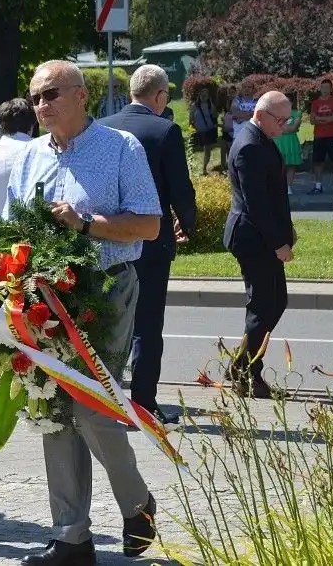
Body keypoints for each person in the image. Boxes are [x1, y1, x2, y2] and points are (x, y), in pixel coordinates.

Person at [5, 61, 160, 565]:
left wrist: (86, 223)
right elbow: (9, 228)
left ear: (80, 95)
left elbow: (150, 225)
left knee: (92, 407)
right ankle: (71, 536)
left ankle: (137, 504)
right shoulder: (29, 156)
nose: (41, 105)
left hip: (105, 290)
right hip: (43, 298)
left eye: (50, 94)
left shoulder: (120, 148)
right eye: (34, 98)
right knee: (54, 409)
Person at [101, 65, 197, 425]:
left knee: (110, 320)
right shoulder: (165, 129)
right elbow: (179, 188)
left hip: (108, 236)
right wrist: (187, 223)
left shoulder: (103, 126)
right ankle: (142, 402)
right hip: (151, 240)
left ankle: (106, 398)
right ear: (159, 96)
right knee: (147, 322)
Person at [224, 91, 295, 400]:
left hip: (260, 235)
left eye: (287, 120)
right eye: (280, 120)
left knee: (276, 301)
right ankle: (246, 373)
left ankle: (242, 362)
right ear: (262, 115)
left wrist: (286, 230)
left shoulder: (260, 137)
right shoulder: (250, 145)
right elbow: (257, 205)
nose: (284, 127)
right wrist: (278, 243)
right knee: (263, 305)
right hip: (252, 237)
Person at [308, 79, 333, 195]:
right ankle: (318, 186)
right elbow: (312, 121)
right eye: (323, 87)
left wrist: (319, 119)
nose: (325, 90)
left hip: (332, 136)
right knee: (318, 162)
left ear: (331, 89)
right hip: (319, 136)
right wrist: (325, 119)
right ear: (320, 89)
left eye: (327, 87)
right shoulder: (315, 103)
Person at [273, 92, 303, 194]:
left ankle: (288, 186)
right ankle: (278, 186)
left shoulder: (297, 113)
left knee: (291, 165)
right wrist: (286, 128)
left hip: (291, 141)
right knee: (277, 165)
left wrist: (283, 127)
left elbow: (293, 128)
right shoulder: (276, 113)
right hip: (278, 141)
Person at [189, 88, 221, 176]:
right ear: (199, 96)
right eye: (202, 95)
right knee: (194, 149)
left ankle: (204, 169)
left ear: (208, 97)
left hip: (208, 131)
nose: (203, 97)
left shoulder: (210, 105)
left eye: (205, 95)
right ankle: (191, 168)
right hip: (198, 131)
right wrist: (191, 130)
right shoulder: (194, 106)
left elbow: (215, 115)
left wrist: (211, 103)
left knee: (207, 150)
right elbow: (190, 118)